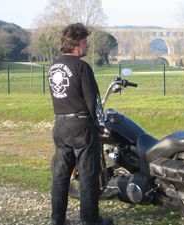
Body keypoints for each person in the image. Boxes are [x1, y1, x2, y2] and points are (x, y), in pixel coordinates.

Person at [48, 23, 114, 225]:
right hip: (81, 126)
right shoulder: (82, 67)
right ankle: (90, 220)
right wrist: (100, 124)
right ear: (76, 45)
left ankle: (57, 220)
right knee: (88, 176)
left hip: (60, 124)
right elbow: (92, 101)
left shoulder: (53, 66)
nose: (87, 46)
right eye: (85, 42)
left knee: (60, 175)